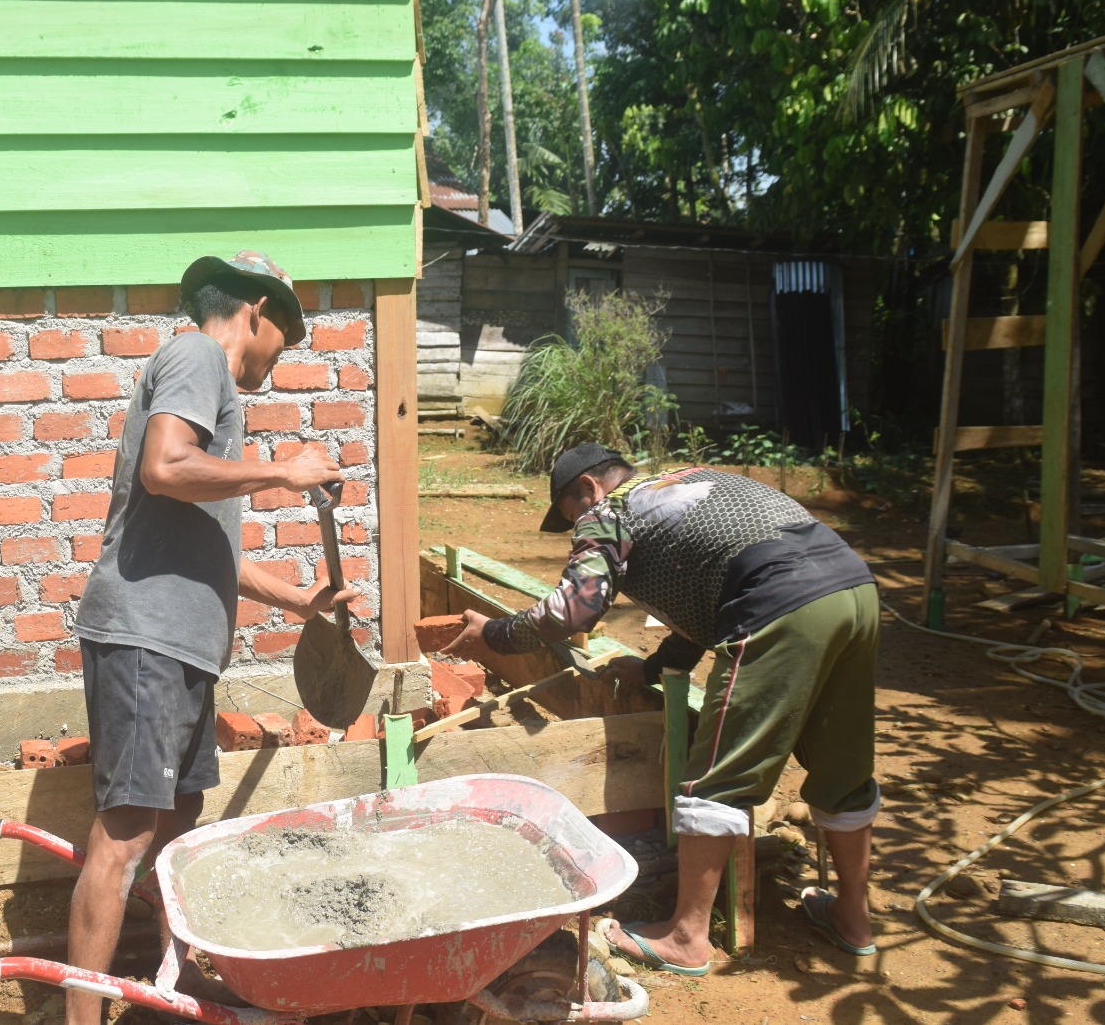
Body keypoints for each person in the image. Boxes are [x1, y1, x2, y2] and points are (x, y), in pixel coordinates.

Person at [444, 443, 880, 974]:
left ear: (588, 488)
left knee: (717, 777)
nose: (579, 524)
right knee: (843, 765)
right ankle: (853, 920)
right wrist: (651, 670)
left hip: (780, 601)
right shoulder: (685, 483)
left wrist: (493, 634)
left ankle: (686, 936)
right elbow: (705, 595)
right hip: (852, 588)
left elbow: (574, 609)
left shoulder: (609, 512)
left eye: (572, 514)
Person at [66, 251, 355, 1023]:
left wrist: (297, 600)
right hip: (146, 638)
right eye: (281, 344)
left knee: (176, 832)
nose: (276, 364)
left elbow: (206, 549)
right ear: (257, 311)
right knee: (125, 837)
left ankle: (174, 978)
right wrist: (280, 472)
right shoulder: (197, 355)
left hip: (182, 646)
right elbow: (165, 467)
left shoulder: (214, 397)